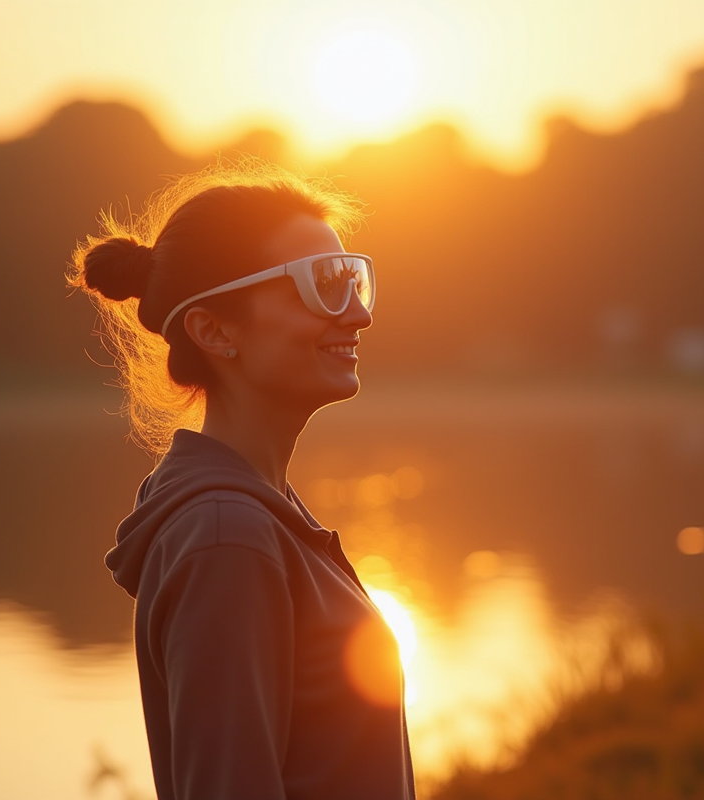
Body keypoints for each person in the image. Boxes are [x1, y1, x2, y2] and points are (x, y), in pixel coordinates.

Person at [69, 162, 415, 800]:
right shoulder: (228, 540)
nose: (358, 316)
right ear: (214, 330)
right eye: (321, 286)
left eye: (354, 280)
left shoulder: (259, 513)